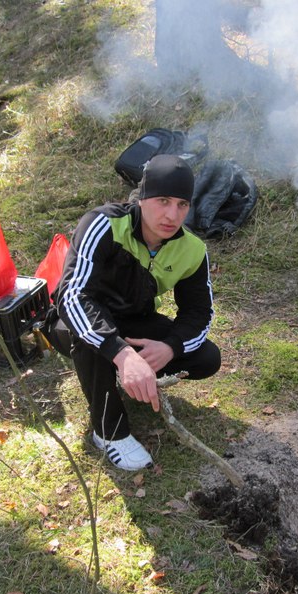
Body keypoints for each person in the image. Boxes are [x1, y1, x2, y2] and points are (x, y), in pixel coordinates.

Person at [46, 154, 221, 471]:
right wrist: (122, 353)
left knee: (207, 358)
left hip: (134, 322)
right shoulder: (104, 224)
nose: (172, 215)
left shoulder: (192, 250)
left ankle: (126, 373)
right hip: (74, 320)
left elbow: (199, 313)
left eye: (182, 204)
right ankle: (109, 432)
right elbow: (72, 296)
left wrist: (169, 347)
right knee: (91, 338)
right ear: (142, 198)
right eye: (163, 201)